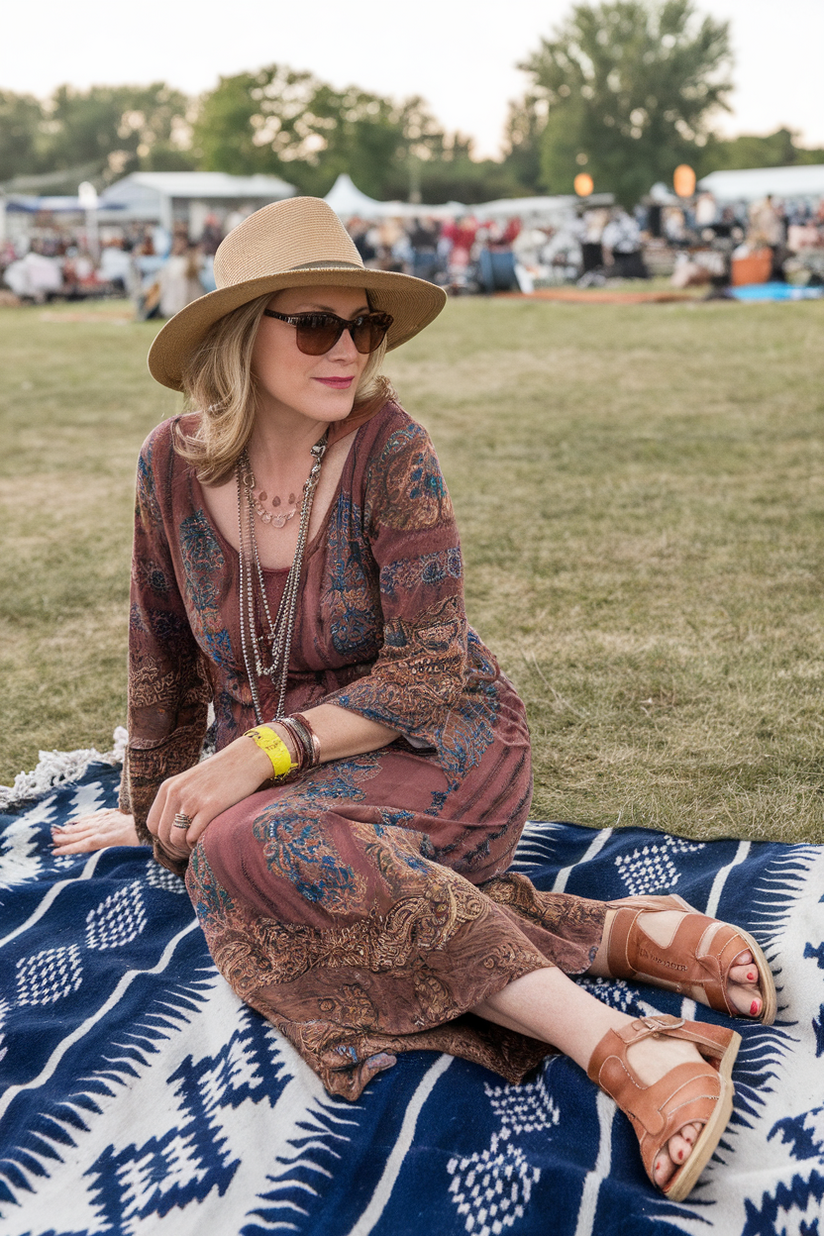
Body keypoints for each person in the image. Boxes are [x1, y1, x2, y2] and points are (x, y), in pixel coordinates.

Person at [51, 196, 776, 1203]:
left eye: (365, 323)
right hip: (282, 774)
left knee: (251, 855)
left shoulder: (393, 450)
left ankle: (621, 1045)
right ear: (235, 337)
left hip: (439, 742)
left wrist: (251, 759)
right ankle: (605, 934)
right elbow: (159, 656)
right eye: (315, 325)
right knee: (219, 853)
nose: (347, 348)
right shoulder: (167, 467)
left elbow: (427, 673)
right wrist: (154, 813)